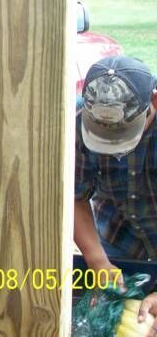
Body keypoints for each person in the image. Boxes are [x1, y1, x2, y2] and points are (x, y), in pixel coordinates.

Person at [74, 55, 157, 331]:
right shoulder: (78, 124)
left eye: (123, 135)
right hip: (118, 238)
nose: (117, 149)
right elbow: (75, 196)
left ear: (153, 103)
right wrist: (97, 260)